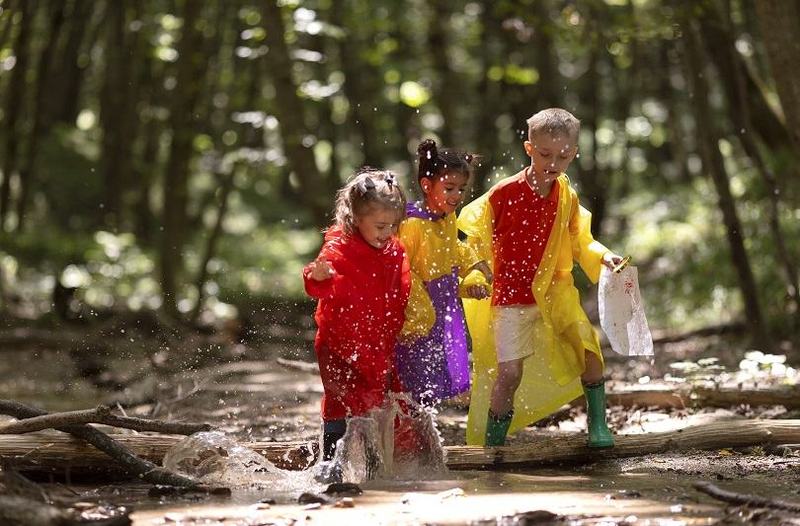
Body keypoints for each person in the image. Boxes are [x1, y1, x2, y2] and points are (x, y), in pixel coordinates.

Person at [458, 108, 624, 448]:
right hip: (511, 295)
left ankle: (598, 426)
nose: (554, 163)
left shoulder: (567, 195)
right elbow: (473, 239)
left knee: (590, 352)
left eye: (563, 156)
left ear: (574, 153)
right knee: (509, 374)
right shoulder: (503, 194)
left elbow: (581, 240)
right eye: (545, 154)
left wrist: (605, 256)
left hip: (555, 291)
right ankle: (494, 442)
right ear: (529, 149)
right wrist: (476, 270)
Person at [303, 168, 410, 461]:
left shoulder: (393, 249)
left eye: (392, 226)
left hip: (376, 343)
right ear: (355, 217)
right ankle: (330, 464)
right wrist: (319, 276)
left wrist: (401, 322)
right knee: (338, 402)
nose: (386, 233)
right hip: (338, 344)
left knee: (373, 404)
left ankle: (373, 468)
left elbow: (401, 288)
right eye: (379, 226)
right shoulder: (339, 245)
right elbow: (317, 280)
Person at [395, 139, 492, 406]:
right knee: (410, 375)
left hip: (442, 309)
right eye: (449, 188)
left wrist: (473, 269)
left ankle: (423, 428)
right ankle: (404, 432)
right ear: (427, 186)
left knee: (433, 375)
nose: (457, 196)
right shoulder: (413, 224)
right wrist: (420, 312)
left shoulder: (446, 217)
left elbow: (453, 250)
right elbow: (401, 270)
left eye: (461, 189)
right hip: (416, 315)